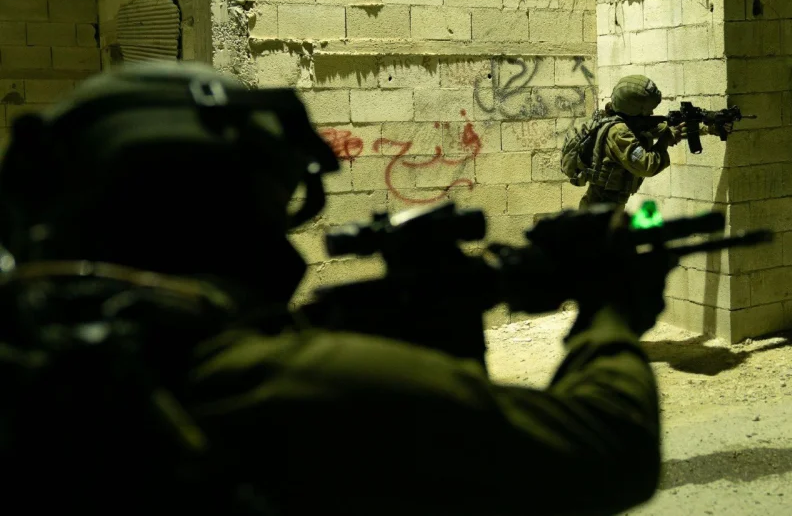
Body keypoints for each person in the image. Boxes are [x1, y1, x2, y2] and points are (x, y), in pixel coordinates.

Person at [0, 62, 669, 515]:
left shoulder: (41, 353)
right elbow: (610, 450)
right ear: (222, 206)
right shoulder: (254, 381)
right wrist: (609, 306)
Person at [580, 75, 725, 210]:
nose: (651, 113)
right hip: (599, 208)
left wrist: (708, 128)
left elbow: (664, 129)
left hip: (607, 205)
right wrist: (665, 141)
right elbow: (647, 165)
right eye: (648, 110)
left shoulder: (625, 122)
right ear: (633, 108)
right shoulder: (619, 132)